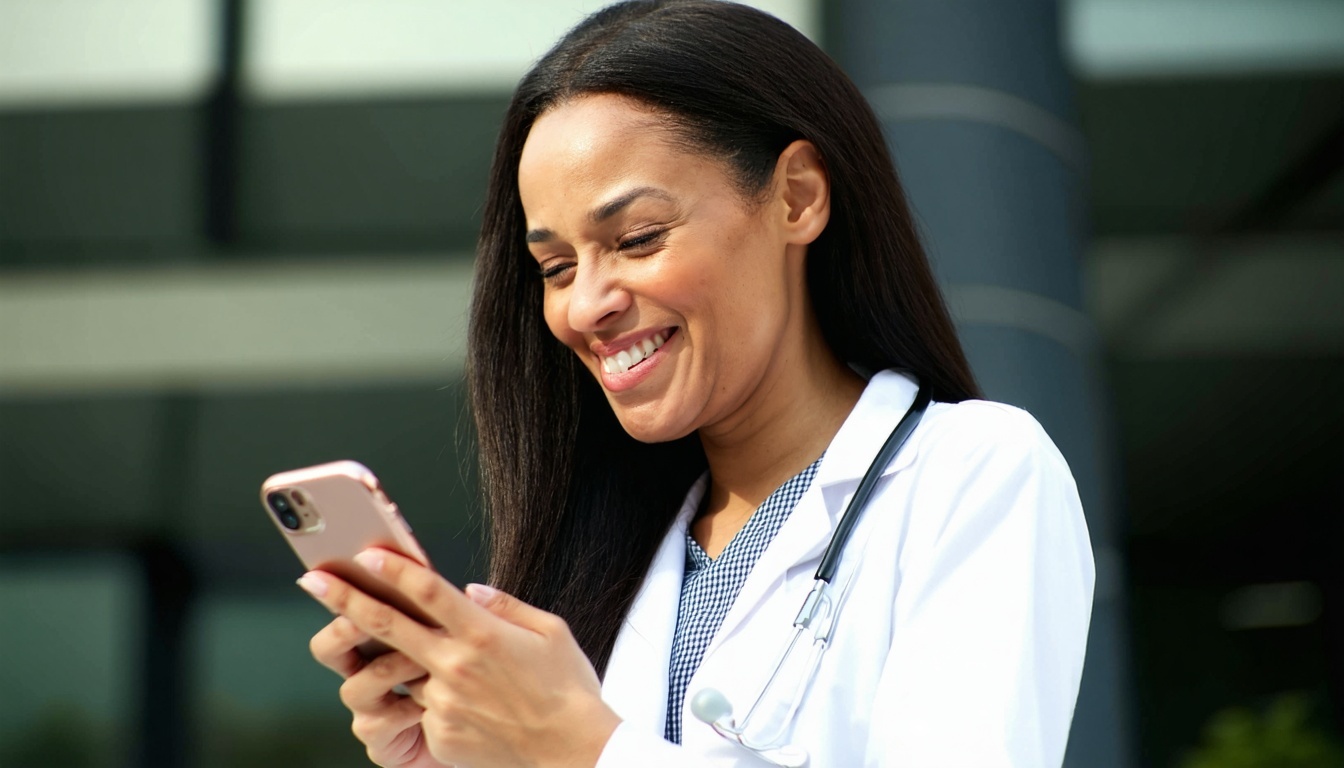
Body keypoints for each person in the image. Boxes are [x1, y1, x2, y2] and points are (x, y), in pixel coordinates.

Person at [295, 1, 1095, 766]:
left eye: (638, 238)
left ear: (797, 196)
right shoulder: (615, 548)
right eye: (557, 267)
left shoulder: (973, 472)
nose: (586, 305)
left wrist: (579, 747)